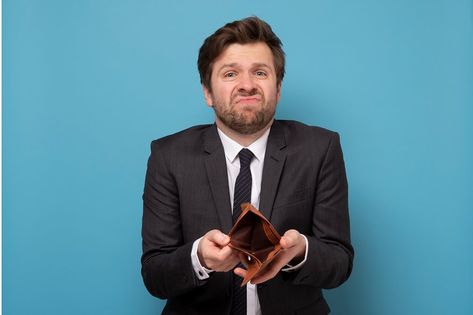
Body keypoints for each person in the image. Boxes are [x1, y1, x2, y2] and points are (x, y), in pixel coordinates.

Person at [141, 16, 354, 315]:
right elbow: (154, 275)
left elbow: (340, 262)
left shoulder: (320, 149)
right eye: (230, 74)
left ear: (278, 88)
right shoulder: (168, 156)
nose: (247, 85)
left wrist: (300, 251)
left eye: (260, 72)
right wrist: (199, 258)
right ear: (207, 92)